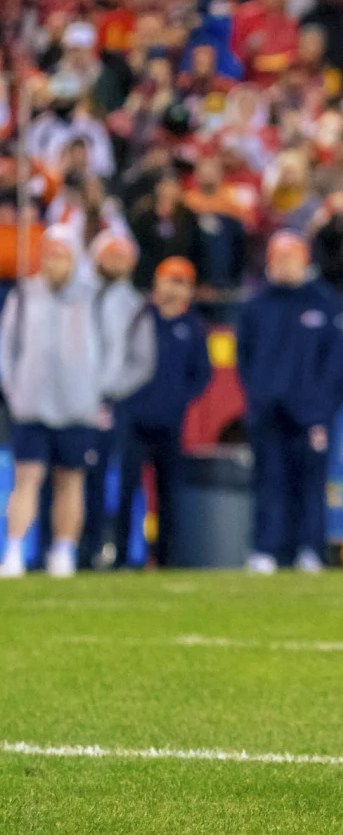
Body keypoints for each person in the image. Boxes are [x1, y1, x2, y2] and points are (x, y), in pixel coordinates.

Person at [2, 228, 125, 577]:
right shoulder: (24, 295)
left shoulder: (94, 296)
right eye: (49, 255)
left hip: (77, 407)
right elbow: (6, 347)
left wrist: (97, 391)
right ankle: (14, 549)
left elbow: (112, 349)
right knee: (26, 477)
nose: (53, 263)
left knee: (70, 480)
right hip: (31, 405)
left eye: (61, 256)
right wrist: (14, 390)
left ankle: (63, 550)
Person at [237, 231, 343, 574]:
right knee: (268, 483)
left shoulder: (324, 302)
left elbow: (335, 362)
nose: (285, 264)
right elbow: (245, 358)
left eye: (291, 256)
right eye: (279, 257)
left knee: (311, 484)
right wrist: (259, 395)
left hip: (311, 413)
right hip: (269, 411)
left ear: (305, 259)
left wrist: (322, 407)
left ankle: (310, 548)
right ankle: (266, 549)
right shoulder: (256, 305)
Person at [117, 258, 214, 568]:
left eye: (182, 282)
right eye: (170, 280)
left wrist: (178, 399)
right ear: (156, 282)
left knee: (169, 493)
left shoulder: (193, 327)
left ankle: (165, 557)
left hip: (170, 422)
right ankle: (121, 555)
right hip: (133, 419)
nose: (174, 289)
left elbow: (202, 374)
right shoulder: (138, 318)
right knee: (126, 491)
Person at [83, 231, 158, 569]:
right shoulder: (75, 294)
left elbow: (142, 359)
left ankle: (118, 551)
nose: (118, 262)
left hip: (117, 402)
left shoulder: (135, 303)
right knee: (74, 476)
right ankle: (72, 548)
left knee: (119, 477)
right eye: (112, 254)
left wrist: (112, 390)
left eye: (123, 257)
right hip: (72, 401)